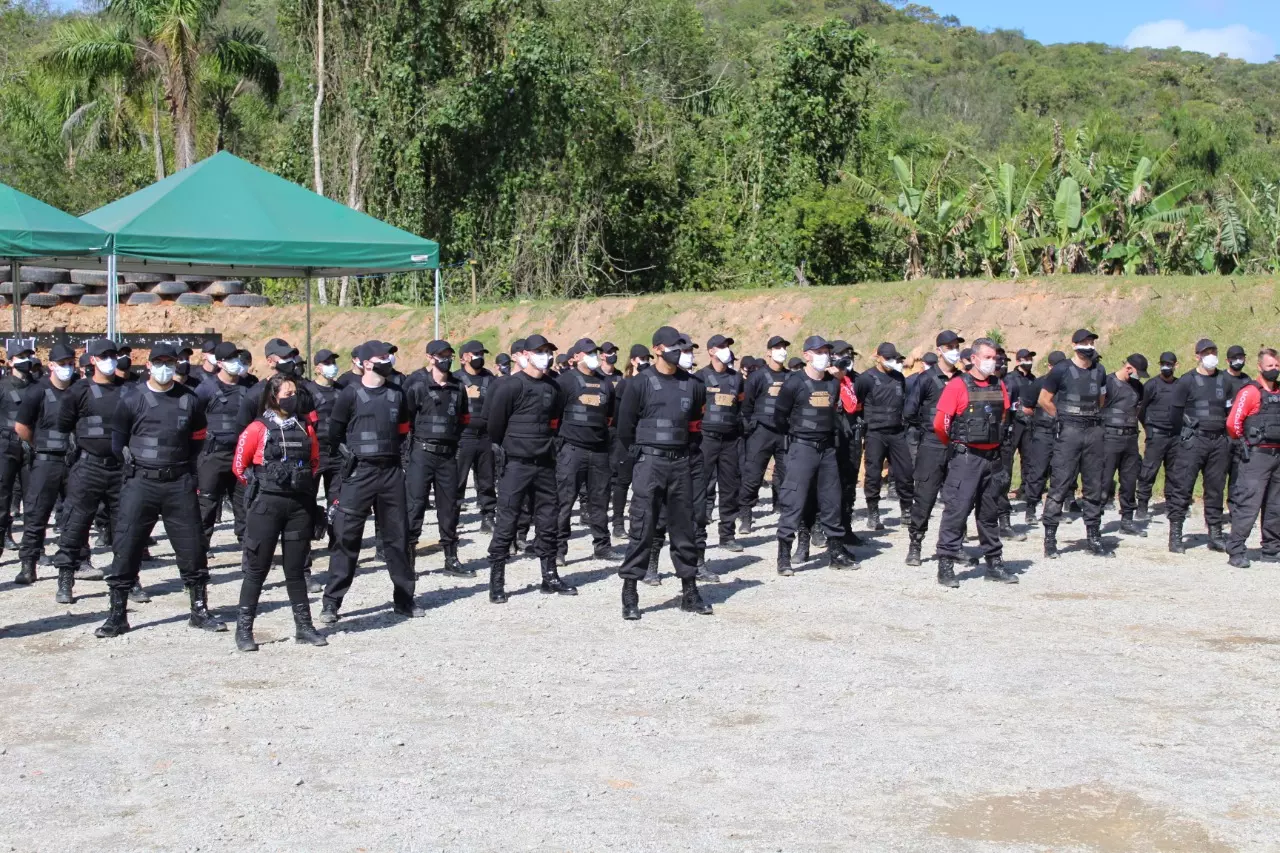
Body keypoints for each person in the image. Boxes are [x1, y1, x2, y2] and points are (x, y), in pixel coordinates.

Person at [96, 343, 223, 638]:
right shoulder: (131, 399)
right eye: (160, 362)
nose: (165, 367)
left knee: (192, 548)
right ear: (149, 365)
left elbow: (198, 440)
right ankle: (117, 615)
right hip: (141, 483)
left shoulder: (190, 401)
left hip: (178, 483)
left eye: (171, 361)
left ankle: (199, 611)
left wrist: (182, 468)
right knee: (127, 546)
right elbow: (118, 444)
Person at [321, 340, 424, 622]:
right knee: (346, 538)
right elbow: (335, 434)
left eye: (389, 356)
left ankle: (404, 599)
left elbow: (404, 431)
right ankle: (331, 603)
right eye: (381, 357)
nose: (387, 360)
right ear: (365, 363)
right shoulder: (349, 394)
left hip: (390, 474)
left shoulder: (397, 394)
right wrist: (351, 461)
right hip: (359, 474)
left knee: (398, 539)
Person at [614, 327, 711, 620]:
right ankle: (630, 591)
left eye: (682, 347)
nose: (679, 352)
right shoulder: (640, 383)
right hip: (650, 464)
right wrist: (642, 459)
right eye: (673, 347)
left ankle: (689, 591)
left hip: (681, 464)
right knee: (642, 527)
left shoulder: (694, 385)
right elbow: (625, 429)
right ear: (657, 349)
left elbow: (696, 427)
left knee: (685, 528)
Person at [231, 373, 328, 651]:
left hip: (298, 506)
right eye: (286, 393)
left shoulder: (305, 425)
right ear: (273, 396)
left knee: (296, 569)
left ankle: (304, 627)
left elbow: (314, 459)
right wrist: (262, 484)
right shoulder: (257, 428)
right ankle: (244, 630)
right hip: (266, 505)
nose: (292, 397)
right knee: (256, 569)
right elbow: (239, 466)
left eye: (294, 392)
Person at [483, 334, 575, 602]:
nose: (545, 355)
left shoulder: (553, 387)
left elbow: (554, 419)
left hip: (545, 464)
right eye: (540, 351)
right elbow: (494, 426)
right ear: (525, 354)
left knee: (548, 521)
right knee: (507, 520)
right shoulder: (509, 386)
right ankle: (497, 581)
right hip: (516, 465)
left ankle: (549, 577)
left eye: (548, 351)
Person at [49, 340, 135, 604]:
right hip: (88, 467)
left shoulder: (130, 390)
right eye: (105, 356)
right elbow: (64, 424)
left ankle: (129, 582)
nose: (111, 360)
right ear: (93, 360)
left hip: (120, 469)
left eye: (114, 355)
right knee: (75, 524)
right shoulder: (79, 391)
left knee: (126, 528)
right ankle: (66, 579)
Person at [931, 337, 1018, 586]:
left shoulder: (999, 385)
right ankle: (946, 565)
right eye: (988, 357)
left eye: (995, 358)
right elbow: (940, 423)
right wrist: (956, 444)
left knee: (989, 514)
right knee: (957, 511)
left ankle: (994, 563)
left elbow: (1003, 414)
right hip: (966, 458)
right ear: (974, 358)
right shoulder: (958, 385)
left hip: (992, 457)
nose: (992, 362)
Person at [773, 336, 857, 575]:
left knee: (832, 500)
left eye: (827, 352)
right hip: (802, 448)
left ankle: (836, 553)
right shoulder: (794, 383)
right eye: (819, 351)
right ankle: (784, 556)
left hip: (827, 448)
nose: (824, 356)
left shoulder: (832, 383)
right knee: (794, 500)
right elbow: (780, 417)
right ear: (807, 355)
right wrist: (796, 438)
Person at [13, 341, 76, 585]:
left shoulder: (79, 390)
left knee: (74, 516)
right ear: (51, 366)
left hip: (73, 461)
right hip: (45, 460)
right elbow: (21, 427)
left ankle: (75, 563)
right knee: (36, 513)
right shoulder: (37, 391)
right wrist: (39, 445)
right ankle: (28, 563)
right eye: (62, 364)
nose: (67, 368)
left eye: (70, 364)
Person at [404, 340, 470, 576]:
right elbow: (406, 423)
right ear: (430, 358)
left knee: (450, 508)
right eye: (441, 355)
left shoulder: (458, 387)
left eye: (449, 355)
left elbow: (463, 420)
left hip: (447, 457)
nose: (446, 359)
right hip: (422, 453)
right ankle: (408, 562)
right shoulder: (417, 386)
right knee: (414, 507)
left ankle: (451, 559)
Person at [902, 331, 964, 566]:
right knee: (925, 497)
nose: (954, 350)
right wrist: (930, 430)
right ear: (939, 350)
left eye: (956, 346)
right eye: (949, 346)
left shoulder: (962, 379)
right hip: (932, 444)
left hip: (957, 446)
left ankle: (953, 546)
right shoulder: (925, 379)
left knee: (958, 498)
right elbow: (909, 412)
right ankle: (915, 545)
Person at [1166, 338, 1231, 554]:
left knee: (1215, 489)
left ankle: (1215, 534)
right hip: (1194, 441)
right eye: (1206, 352)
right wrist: (1185, 435)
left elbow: (1230, 412)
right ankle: (1175, 534)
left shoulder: (1224, 380)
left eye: (1213, 351)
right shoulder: (1186, 381)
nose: (1211, 355)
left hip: (1219, 441)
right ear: (1197, 356)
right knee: (1182, 487)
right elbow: (1174, 414)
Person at [553, 338, 615, 564]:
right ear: (577, 356)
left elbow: (610, 416)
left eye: (595, 353)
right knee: (565, 501)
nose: (594, 356)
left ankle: (602, 546)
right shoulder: (565, 382)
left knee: (599, 502)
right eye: (588, 353)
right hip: (572, 449)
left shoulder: (605, 383)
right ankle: (559, 549)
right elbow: (555, 415)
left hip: (598, 450)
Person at [1224, 347, 1280, 567]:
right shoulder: (1251, 392)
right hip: (1256, 456)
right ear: (1259, 367)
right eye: (1270, 366)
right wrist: (1244, 442)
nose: (1274, 370)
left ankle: (1272, 549)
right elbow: (1232, 423)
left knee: (1276, 505)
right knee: (1249, 504)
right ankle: (1236, 550)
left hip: (1277, 455)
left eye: (1276, 366)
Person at [195, 341, 251, 545]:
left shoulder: (248, 388)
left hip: (241, 455)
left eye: (237, 358)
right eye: (230, 359)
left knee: (245, 503)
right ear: (220, 362)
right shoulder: (206, 389)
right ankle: (200, 550)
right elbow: (193, 418)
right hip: (213, 455)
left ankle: (250, 552)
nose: (235, 363)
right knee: (207, 504)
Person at [855, 342, 915, 530]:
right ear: (878, 357)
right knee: (873, 474)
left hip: (897, 432)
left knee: (905, 472)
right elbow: (857, 402)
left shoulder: (899, 378)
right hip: (875, 433)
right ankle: (873, 512)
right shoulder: (866, 378)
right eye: (887, 358)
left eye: (893, 358)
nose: (891, 361)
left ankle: (906, 511)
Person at [696, 335, 745, 553]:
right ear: (711, 351)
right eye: (722, 346)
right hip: (706, 438)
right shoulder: (700, 377)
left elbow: (742, 407)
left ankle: (727, 535)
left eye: (728, 346)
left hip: (730, 440)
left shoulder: (736, 378)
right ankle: (698, 534)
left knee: (729, 489)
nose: (727, 350)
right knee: (701, 486)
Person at [739, 336, 791, 532]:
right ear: (768, 352)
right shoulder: (757, 377)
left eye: (784, 347)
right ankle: (745, 515)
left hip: (784, 432)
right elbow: (747, 405)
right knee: (752, 475)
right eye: (777, 347)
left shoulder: (790, 377)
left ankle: (786, 513)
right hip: (761, 432)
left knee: (787, 476)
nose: (781, 351)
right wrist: (751, 426)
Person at [300, 349, 342, 591]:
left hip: (337, 455)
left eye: (333, 362)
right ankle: (304, 570)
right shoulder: (307, 392)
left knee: (338, 508)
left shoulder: (341, 391)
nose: (331, 366)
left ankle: (338, 565)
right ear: (316, 368)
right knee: (304, 511)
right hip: (314, 455)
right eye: (326, 363)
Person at [1101, 354, 1149, 537]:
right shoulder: (1108, 383)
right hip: (1110, 438)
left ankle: (1127, 521)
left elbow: (1137, 410)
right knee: (1103, 481)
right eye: (1138, 372)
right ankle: (1095, 523)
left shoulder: (1138, 387)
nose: (1140, 377)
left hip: (1130, 440)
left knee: (1129, 481)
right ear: (1128, 368)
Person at [455, 340, 497, 533]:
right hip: (463, 437)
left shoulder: (490, 379)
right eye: (475, 354)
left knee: (487, 481)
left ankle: (488, 517)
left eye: (482, 354)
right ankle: (452, 517)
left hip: (485, 437)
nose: (479, 357)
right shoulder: (455, 380)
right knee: (457, 480)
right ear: (463, 357)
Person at [610, 345, 651, 538]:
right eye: (642, 358)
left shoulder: (649, 383)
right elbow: (617, 415)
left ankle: (639, 521)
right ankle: (618, 522)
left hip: (645, 439)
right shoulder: (625, 384)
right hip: (626, 439)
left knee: (643, 483)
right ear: (633, 360)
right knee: (623, 481)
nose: (645, 361)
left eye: (647, 358)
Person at [1135, 351, 1181, 521]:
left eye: (1169, 364)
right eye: (1163, 363)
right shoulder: (1151, 385)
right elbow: (1140, 409)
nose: (1166, 367)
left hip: (1175, 436)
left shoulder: (1180, 385)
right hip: (1157, 436)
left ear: (1176, 365)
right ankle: (1142, 506)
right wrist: (1149, 428)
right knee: (1148, 471)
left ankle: (1171, 506)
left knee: (1174, 473)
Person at [0, 342, 35, 555]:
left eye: (28, 356)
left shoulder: (38, 386)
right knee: (2, 496)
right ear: (10, 361)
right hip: (5, 444)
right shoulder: (2, 386)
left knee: (34, 498)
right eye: (20, 356)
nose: (25, 360)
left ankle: (32, 549)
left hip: (31, 445)